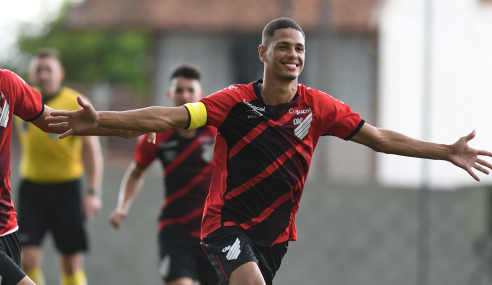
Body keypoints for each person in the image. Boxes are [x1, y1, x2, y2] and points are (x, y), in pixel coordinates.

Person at [47, 18, 492, 285]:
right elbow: (168, 118)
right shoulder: (234, 102)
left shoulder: (319, 108)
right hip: (224, 226)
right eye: (283, 47)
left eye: (299, 48)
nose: (293, 54)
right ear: (263, 52)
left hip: (275, 237)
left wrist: (445, 151)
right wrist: (99, 121)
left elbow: (378, 138)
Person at [0, 67, 149, 285]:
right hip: (31, 190)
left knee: (70, 262)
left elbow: (58, 122)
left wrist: (125, 127)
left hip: (8, 222)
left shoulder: (7, 83)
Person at [109, 65, 219, 285]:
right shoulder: (156, 136)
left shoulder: (217, 130)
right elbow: (136, 172)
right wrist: (123, 206)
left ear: (201, 94)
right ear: (169, 94)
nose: (185, 95)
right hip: (175, 230)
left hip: (215, 231)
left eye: (190, 90)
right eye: (179, 90)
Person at [14, 48, 103, 285]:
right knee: (27, 260)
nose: (43, 75)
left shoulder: (76, 103)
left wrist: (94, 192)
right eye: (38, 70)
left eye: (48, 70)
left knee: (71, 262)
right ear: (31, 74)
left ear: (60, 73)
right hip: (31, 190)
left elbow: (92, 151)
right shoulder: (19, 101)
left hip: (67, 189)